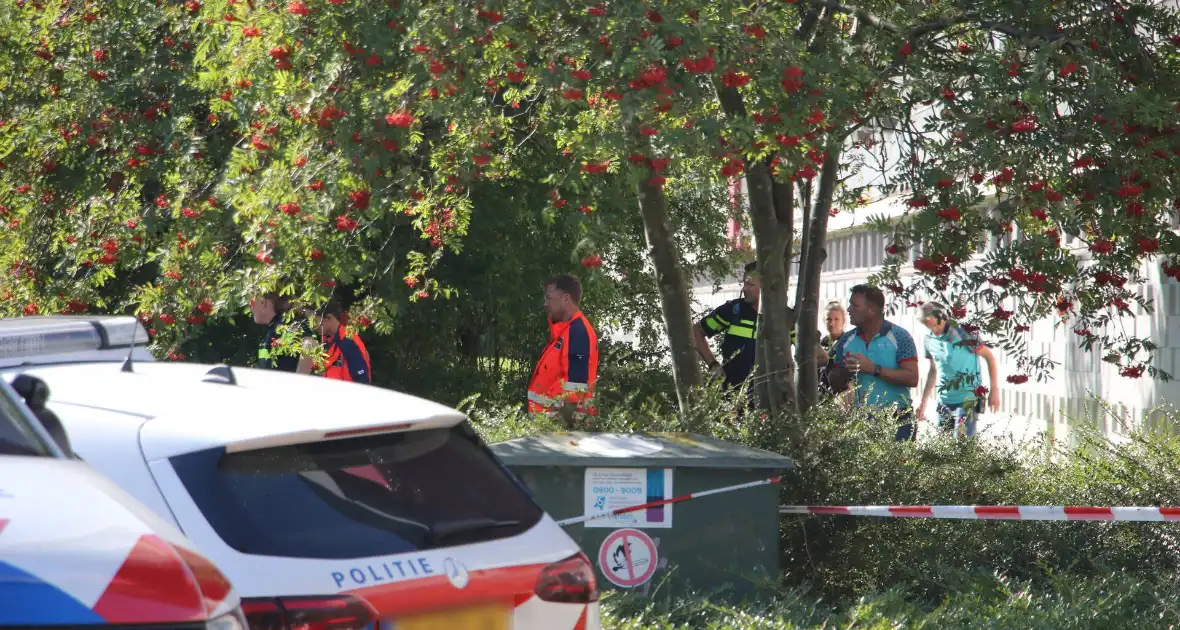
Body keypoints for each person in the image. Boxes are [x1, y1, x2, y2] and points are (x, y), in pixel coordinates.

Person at [826, 285, 921, 441]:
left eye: (855, 305)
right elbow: (836, 386)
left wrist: (873, 369)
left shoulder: (900, 336)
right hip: (863, 418)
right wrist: (844, 371)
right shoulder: (846, 340)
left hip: (899, 417)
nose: (849, 309)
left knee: (899, 466)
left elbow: (912, 378)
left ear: (872, 310)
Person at [915, 301, 1001, 439]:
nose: (935, 331)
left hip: (968, 399)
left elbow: (989, 358)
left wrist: (994, 390)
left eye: (937, 325)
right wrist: (923, 403)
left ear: (944, 317)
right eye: (930, 327)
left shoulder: (963, 333)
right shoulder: (929, 339)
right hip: (944, 401)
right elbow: (933, 370)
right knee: (943, 451)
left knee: (961, 448)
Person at [527, 274, 599, 425]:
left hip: (559, 433)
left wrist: (564, 435)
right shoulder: (563, 332)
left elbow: (575, 393)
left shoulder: (577, 333)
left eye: (549, 298)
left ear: (566, 299)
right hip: (548, 430)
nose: (545, 304)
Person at [250, 290, 316, 374]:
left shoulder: (286, 326)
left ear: (264, 302)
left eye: (252, 302)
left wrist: (299, 382)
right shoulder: (272, 329)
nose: (250, 308)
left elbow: (310, 344)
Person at [314, 300, 372, 384]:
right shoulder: (327, 340)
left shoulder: (348, 340)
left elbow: (362, 379)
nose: (314, 327)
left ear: (329, 318)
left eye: (316, 322)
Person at [815, 301, 846, 396]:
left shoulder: (848, 343)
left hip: (842, 396)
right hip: (822, 394)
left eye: (836, 319)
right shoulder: (820, 343)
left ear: (843, 321)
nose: (832, 323)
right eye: (829, 319)